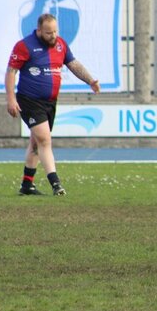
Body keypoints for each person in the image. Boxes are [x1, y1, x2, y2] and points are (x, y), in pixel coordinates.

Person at [5, 13, 100, 196]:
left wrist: (90, 81)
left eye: (55, 31)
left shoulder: (61, 44)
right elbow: (11, 72)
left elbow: (73, 64)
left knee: (36, 143)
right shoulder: (24, 46)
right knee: (44, 140)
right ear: (39, 30)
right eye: (49, 33)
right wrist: (11, 99)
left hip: (49, 102)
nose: (53, 35)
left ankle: (27, 185)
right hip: (29, 101)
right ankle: (56, 184)